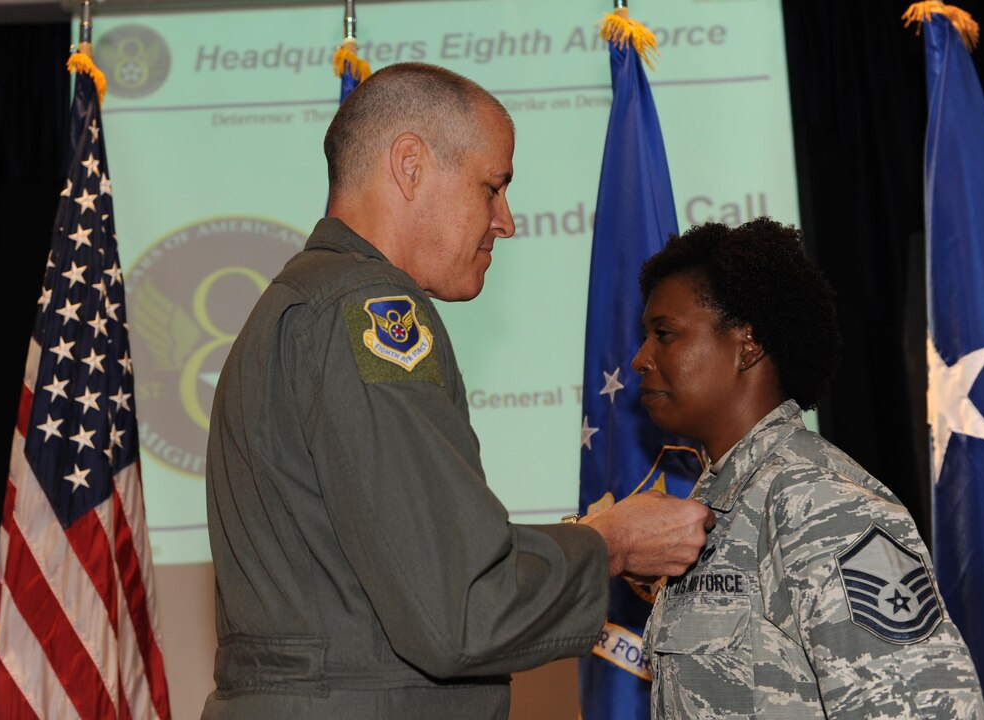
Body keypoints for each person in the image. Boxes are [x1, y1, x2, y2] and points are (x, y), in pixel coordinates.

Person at [201, 62, 714, 719]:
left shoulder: (298, 304)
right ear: (411, 164)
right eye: (492, 186)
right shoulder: (371, 310)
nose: (505, 220)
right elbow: (459, 608)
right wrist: (609, 543)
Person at [634, 218, 984, 718]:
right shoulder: (717, 504)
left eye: (663, 334)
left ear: (748, 345)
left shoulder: (823, 502)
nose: (639, 359)